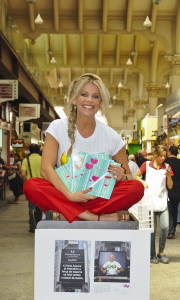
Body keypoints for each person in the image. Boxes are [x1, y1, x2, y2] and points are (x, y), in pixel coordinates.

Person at [23, 73, 143, 222]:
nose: (89, 100)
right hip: (65, 195)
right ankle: (93, 217)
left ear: (101, 102)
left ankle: (67, 213)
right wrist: (70, 195)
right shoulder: (58, 127)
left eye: (95, 96)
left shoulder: (112, 136)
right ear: (74, 98)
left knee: (136, 188)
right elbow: (45, 169)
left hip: (97, 198)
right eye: (84, 94)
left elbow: (129, 177)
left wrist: (122, 176)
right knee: (31, 185)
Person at [135, 145, 173, 264]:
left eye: (164, 156)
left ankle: (161, 252)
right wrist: (143, 182)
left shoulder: (167, 167)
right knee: (152, 229)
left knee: (165, 226)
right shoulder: (146, 165)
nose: (163, 158)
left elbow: (170, 186)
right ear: (155, 155)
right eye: (161, 156)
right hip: (149, 201)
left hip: (162, 200)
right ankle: (152, 254)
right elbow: (136, 176)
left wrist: (168, 177)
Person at [21, 144, 43, 232]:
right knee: (40, 206)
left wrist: (25, 182)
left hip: (31, 186)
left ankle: (32, 226)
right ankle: (39, 224)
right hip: (41, 186)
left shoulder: (26, 160)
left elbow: (23, 174)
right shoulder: (43, 159)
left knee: (31, 206)